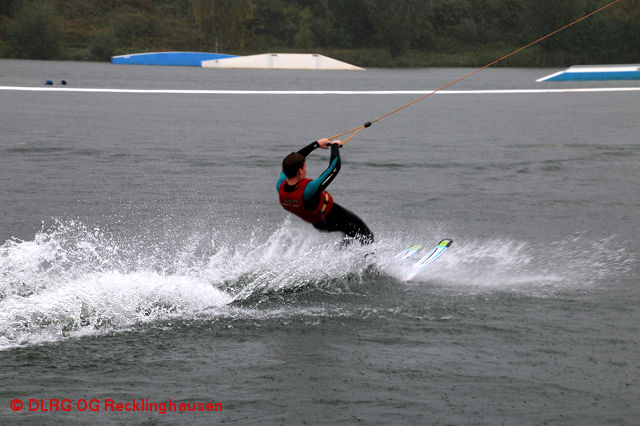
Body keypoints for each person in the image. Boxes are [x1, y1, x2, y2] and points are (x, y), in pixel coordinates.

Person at [276, 138, 374, 245]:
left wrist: (316, 144)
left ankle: (344, 252)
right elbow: (334, 167)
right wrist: (335, 146)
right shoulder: (308, 191)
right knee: (367, 236)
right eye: (304, 167)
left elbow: (294, 160)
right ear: (300, 171)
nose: (306, 170)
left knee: (348, 233)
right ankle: (369, 256)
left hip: (319, 223)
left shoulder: (280, 185)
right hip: (333, 216)